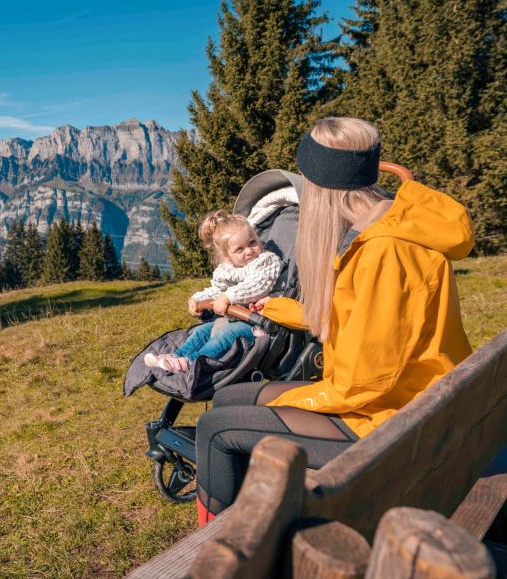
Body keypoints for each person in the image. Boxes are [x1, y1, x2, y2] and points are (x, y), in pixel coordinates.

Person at [194, 117, 474, 527]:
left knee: (215, 429)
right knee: (229, 399)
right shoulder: (397, 223)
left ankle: (223, 554)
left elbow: (363, 384)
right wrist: (270, 306)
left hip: (395, 421)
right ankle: (264, 517)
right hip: (417, 401)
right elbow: (355, 317)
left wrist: (293, 399)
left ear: (322, 191)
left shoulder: (384, 252)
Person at [144, 210, 282, 373]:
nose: (249, 251)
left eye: (252, 243)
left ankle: (191, 363)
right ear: (226, 255)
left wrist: (228, 297)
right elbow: (217, 290)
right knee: (202, 331)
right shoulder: (227, 270)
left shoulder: (266, 261)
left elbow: (259, 285)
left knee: (227, 335)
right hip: (236, 319)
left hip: (259, 323)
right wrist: (197, 299)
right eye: (240, 249)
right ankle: (175, 357)